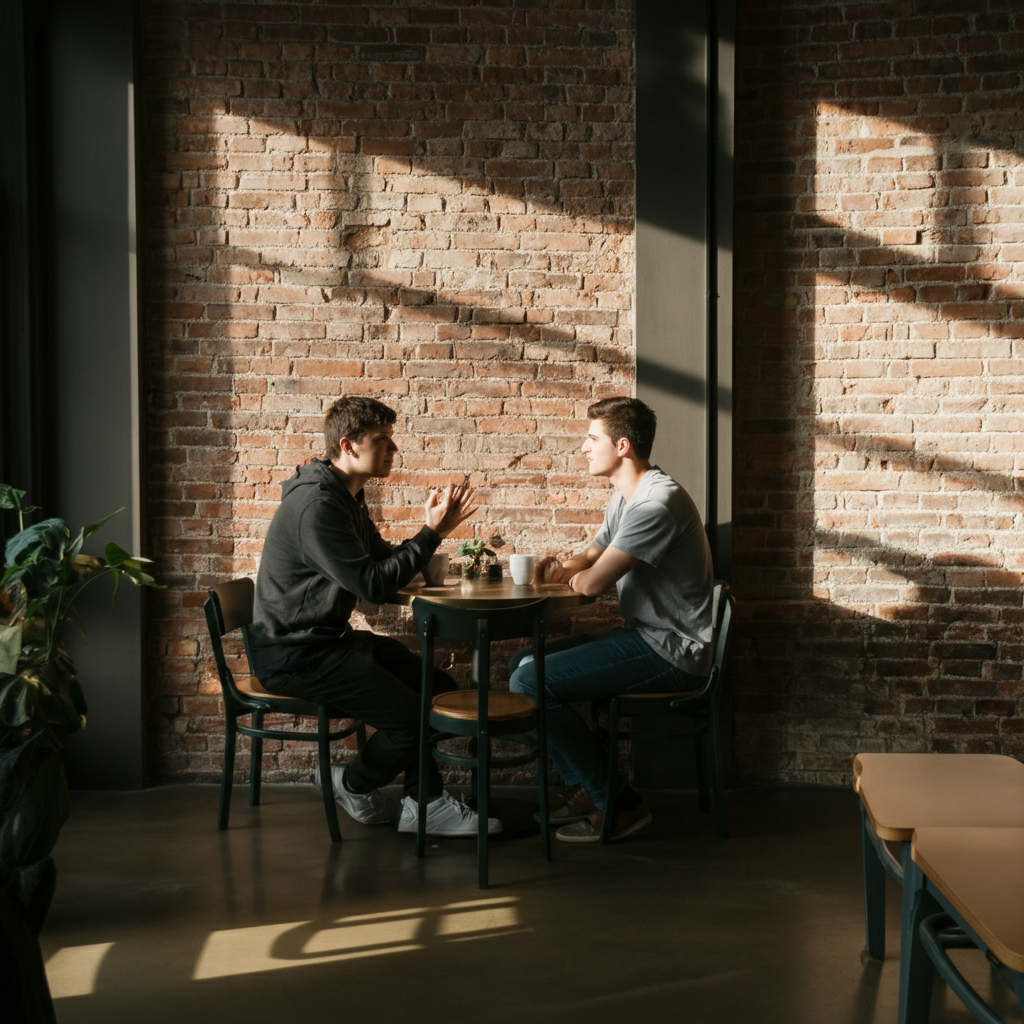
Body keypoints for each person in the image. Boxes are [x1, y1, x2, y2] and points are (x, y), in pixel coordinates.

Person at [248, 395, 500, 837]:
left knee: (437, 689)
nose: (393, 449)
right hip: (295, 655)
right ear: (348, 445)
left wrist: (428, 537)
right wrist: (431, 533)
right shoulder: (318, 506)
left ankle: (422, 803)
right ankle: (356, 783)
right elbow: (375, 586)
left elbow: (381, 558)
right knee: (414, 716)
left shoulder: (345, 496)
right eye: (382, 439)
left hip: (326, 642)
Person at [509, 396, 714, 843]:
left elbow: (591, 585)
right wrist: (558, 568)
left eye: (591, 438)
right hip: (645, 635)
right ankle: (588, 791)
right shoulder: (627, 498)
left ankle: (619, 803)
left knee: (529, 682)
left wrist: (573, 577)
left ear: (622, 446)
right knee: (520, 665)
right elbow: (589, 556)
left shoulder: (655, 505)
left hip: (672, 648)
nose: (583, 447)